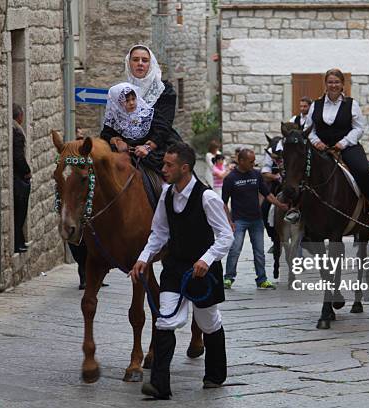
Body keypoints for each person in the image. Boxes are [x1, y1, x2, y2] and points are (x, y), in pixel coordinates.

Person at [130, 143, 234, 399]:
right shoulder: (166, 196)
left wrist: (207, 259)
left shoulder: (207, 197)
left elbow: (226, 235)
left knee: (208, 322)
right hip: (175, 268)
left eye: (169, 165)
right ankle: (159, 385)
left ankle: (215, 375)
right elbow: (159, 233)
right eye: (163, 164)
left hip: (203, 272)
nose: (163, 169)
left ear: (184, 168)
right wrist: (143, 258)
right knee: (165, 319)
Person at [304, 68, 369, 224]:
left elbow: (359, 128)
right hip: (321, 148)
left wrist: (344, 143)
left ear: (342, 84)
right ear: (325, 84)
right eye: (330, 82)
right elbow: (309, 129)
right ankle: (296, 208)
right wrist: (316, 142)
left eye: (336, 82)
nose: (333, 85)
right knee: (299, 171)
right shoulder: (315, 105)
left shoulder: (352, 104)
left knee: (363, 169)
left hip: (347, 147)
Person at [100, 45, 181, 174]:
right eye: (135, 60)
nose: (140, 64)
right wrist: (117, 140)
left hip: (157, 144)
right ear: (128, 63)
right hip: (126, 148)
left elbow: (165, 124)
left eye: (145, 60)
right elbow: (108, 128)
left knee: (175, 173)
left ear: (151, 63)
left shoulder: (164, 90)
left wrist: (148, 147)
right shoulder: (121, 90)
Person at [222, 149, 288, 289]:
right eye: (251, 161)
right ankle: (228, 278)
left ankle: (262, 279)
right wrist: (229, 221)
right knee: (235, 249)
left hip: (256, 220)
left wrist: (279, 205)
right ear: (241, 161)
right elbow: (223, 203)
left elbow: (267, 194)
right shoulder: (230, 178)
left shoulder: (256, 175)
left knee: (259, 251)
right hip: (239, 220)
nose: (254, 164)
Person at [12, 103, 31, 253]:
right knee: (20, 212)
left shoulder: (13, 130)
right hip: (18, 179)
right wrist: (27, 171)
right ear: (19, 116)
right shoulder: (17, 132)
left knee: (19, 213)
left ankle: (20, 241)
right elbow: (18, 156)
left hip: (16, 178)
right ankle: (18, 242)